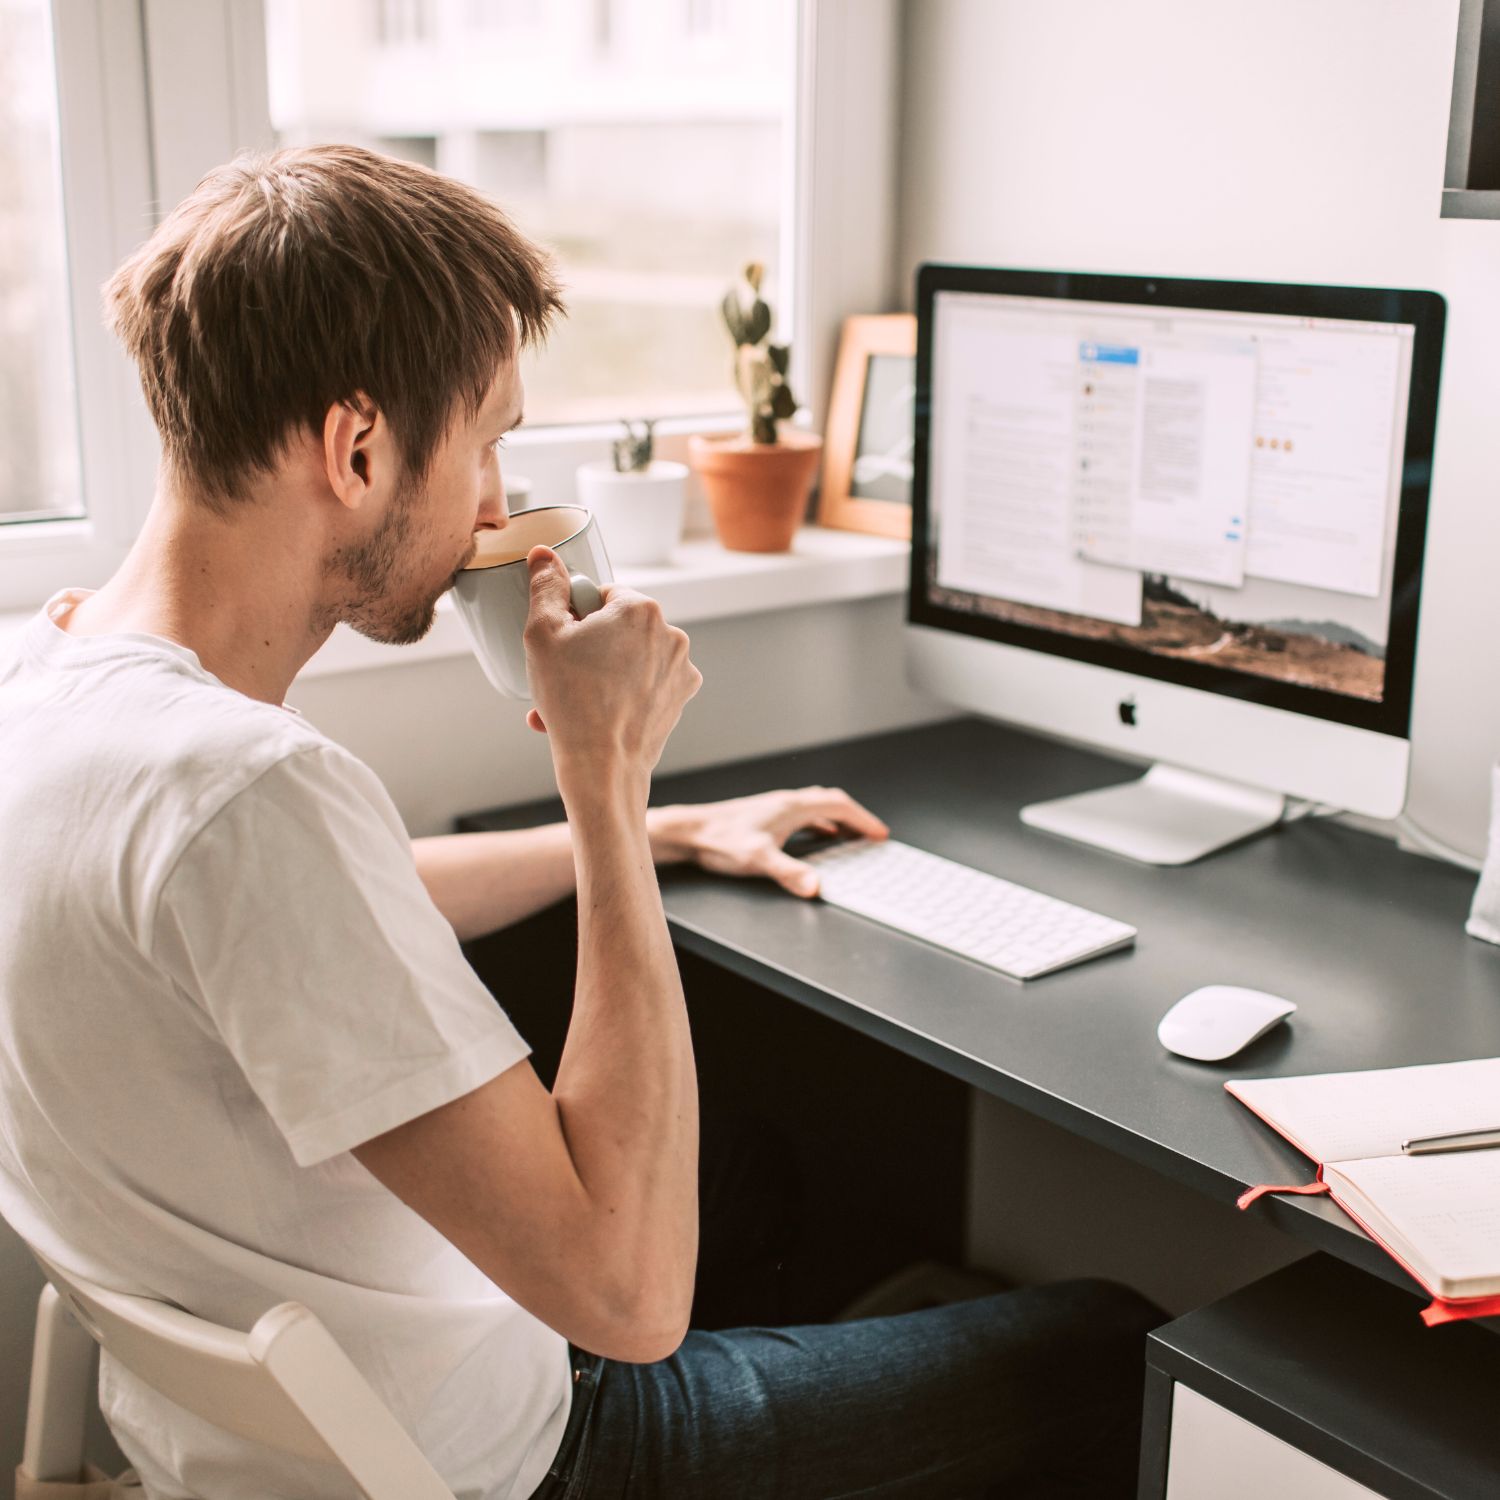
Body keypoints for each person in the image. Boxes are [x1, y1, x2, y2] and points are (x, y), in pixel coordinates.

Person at [0, 144, 1161, 1498]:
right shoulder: (253, 793)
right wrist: (608, 793)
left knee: (756, 1176)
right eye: (487, 442)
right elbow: (627, 1302)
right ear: (358, 448)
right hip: (522, 1457)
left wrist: (669, 834)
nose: (494, 504)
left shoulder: (56, 682)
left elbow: (309, 912)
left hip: (242, 1441)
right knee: (1116, 1343)